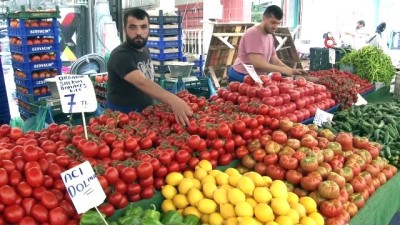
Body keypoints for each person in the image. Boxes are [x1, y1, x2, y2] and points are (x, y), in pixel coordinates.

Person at [106, 8, 193, 125]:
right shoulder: (121, 55)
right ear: (124, 30)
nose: (138, 32)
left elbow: (148, 80)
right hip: (122, 119)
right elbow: (141, 82)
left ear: (149, 29)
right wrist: (172, 99)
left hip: (144, 115)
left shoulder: (145, 50)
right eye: (133, 27)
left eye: (143, 27)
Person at [227, 5, 308, 83]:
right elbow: (257, 63)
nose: (275, 26)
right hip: (242, 75)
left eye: (278, 23)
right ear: (264, 18)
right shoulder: (253, 33)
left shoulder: (269, 35)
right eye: (273, 22)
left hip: (257, 77)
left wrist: (291, 70)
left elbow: (274, 60)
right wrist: (283, 70)